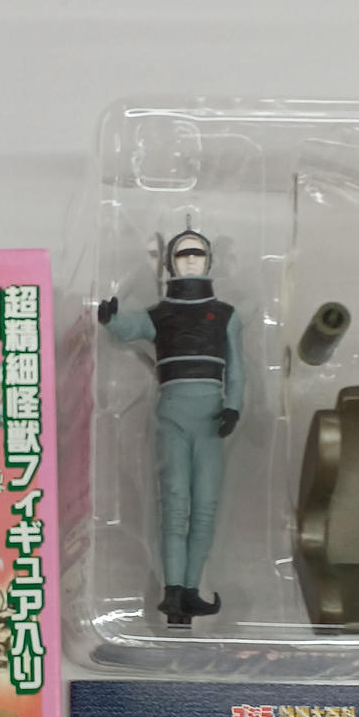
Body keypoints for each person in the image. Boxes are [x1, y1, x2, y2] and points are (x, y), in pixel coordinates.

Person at [98, 226, 244, 625]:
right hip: (173, 414)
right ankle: (173, 592)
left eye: (198, 253)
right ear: (170, 263)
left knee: (205, 506)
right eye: (183, 254)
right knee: (175, 502)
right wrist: (110, 318)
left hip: (211, 417)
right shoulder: (160, 314)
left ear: (210, 260)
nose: (191, 260)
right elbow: (130, 326)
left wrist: (233, 407)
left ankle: (191, 590)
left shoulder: (226, 315)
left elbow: (237, 370)